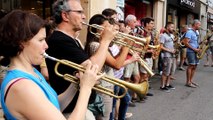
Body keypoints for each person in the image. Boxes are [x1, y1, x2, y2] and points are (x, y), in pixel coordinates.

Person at [0, 9, 104, 120]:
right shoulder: (21, 87)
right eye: (41, 40)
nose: (46, 46)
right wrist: (86, 88)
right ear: (21, 43)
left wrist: (75, 85)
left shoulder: (31, 72)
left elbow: (54, 107)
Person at [46, 0, 116, 118]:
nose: (84, 17)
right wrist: (105, 41)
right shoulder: (60, 40)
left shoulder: (71, 39)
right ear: (65, 15)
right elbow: (93, 69)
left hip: (80, 105)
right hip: (72, 110)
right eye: (79, 12)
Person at [182, 19, 201, 88]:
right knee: (191, 66)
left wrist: (199, 47)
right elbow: (185, 42)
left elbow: (194, 42)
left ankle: (190, 80)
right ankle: (188, 82)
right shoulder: (189, 32)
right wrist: (194, 49)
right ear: (195, 24)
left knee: (195, 66)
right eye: (199, 25)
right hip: (191, 51)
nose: (200, 26)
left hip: (195, 51)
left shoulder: (195, 32)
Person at [160, 22, 176, 92]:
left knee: (170, 72)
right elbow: (161, 47)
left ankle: (167, 84)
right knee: (165, 71)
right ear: (167, 27)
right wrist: (169, 50)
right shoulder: (163, 36)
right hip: (166, 56)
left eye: (173, 27)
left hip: (172, 55)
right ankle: (162, 86)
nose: (173, 29)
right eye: (172, 27)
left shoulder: (172, 35)